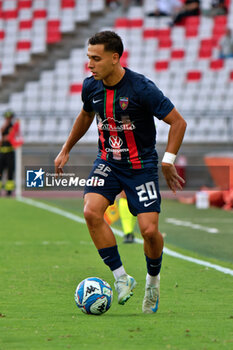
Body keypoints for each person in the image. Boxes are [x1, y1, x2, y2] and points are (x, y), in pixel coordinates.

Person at [55, 31, 187, 314]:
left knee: (150, 232)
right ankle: (121, 279)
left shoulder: (141, 88)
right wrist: (66, 148)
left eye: (96, 58)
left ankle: (153, 282)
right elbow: (86, 115)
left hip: (141, 167)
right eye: (88, 57)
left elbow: (178, 122)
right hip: (108, 162)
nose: (89, 64)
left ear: (114, 58)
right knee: (91, 212)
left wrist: (167, 160)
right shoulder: (91, 87)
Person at [0, 110, 16, 196]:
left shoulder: (13, 127)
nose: (8, 119)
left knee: (10, 172)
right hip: (2, 153)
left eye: (9, 118)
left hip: (10, 152)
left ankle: (9, 192)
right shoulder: (3, 127)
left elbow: (10, 137)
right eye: (7, 118)